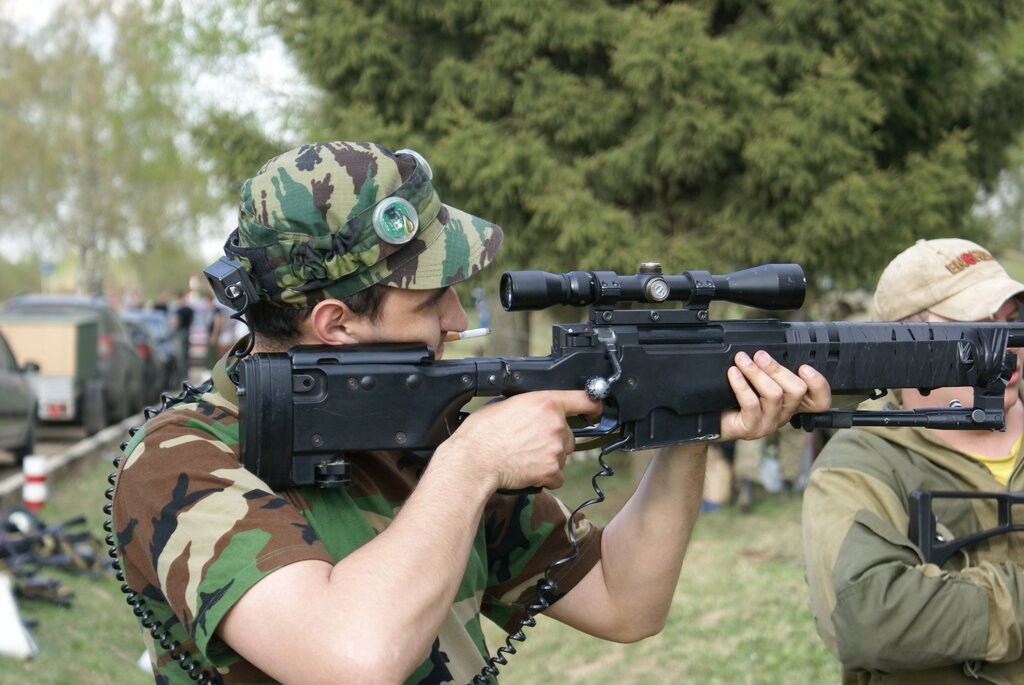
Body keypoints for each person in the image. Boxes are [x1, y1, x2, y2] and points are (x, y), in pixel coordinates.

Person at [112, 140, 830, 685]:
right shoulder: (181, 459)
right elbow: (349, 658)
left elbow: (624, 600)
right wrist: (472, 462)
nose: (457, 317)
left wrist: (689, 424)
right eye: (430, 300)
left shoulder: (426, 434)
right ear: (334, 323)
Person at [802, 238, 1024, 684]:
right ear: (906, 343)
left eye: (1013, 320)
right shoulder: (858, 461)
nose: (1010, 345)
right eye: (978, 325)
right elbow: (869, 619)